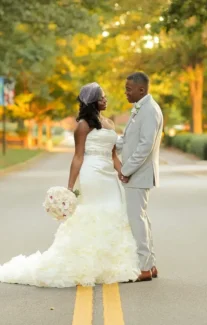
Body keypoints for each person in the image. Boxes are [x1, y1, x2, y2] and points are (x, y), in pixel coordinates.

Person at [0, 82, 140, 288]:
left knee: (114, 212)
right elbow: (77, 157)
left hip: (109, 176)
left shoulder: (109, 123)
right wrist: (69, 188)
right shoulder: (82, 126)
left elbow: (113, 155)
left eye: (105, 96)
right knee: (92, 214)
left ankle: (110, 265)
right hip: (91, 174)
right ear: (92, 101)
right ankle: (86, 264)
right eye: (101, 97)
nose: (105, 99)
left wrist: (123, 173)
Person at [117, 72, 163, 281]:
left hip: (140, 175)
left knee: (137, 220)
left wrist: (125, 170)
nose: (126, 92)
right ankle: (150, 265)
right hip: (138, 175)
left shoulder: (150, 111)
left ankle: (144, 269)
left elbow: (145, 146)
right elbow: (129, 141)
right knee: (141, 219)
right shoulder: (141, 108)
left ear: (141, 90)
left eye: (128, 89)